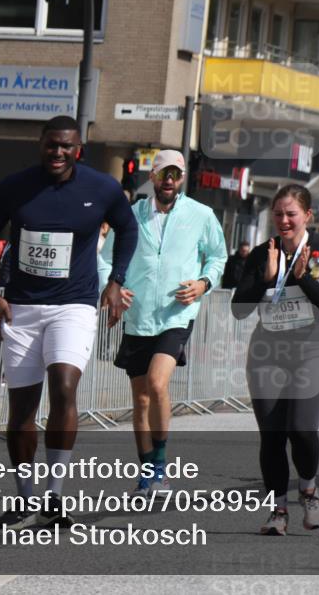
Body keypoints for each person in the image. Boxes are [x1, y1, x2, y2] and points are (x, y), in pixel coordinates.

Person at [0, 115, 138, 530]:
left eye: (67, 146)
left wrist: (116, 280)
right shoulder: (14, 187)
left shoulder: (101, 187)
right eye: (52, 145)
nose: (59, 152)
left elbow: (128, 229)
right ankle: (25, 498)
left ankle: (54, 496)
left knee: (63, 387)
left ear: (79, 148)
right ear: (40, 144)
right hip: (21, 308)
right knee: (22, 409)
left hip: (73, 305)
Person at [231, 184, 319, 536]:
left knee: (302, 428)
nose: (284, 220)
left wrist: (303, 278)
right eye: (278, 214)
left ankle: (309, 491)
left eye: (291, 214)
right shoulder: (263, 253)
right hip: (268, 353)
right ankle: (278, 510)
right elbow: (238, 309)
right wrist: (264, 280)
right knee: (272, 435)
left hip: (311, 350)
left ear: (307, 215)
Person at [115, 149, 227, 494]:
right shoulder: (131, 215)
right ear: (152, 176)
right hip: (138, 315)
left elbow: (218, 256)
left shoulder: (201, 214)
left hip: (176, 313)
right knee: (141, 399)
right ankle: (146, 472)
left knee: (157, 383)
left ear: (182, 179)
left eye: (175, 174)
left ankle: (160, 468)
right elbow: (106, 259)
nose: (169, 180)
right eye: (163, 173)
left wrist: (203, 283)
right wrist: (114, 287)